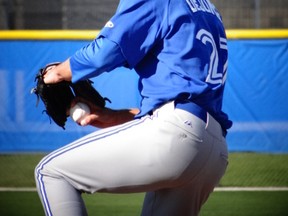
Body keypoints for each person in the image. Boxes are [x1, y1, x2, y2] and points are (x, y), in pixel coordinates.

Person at [35, 0, 233, 215]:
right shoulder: (209, 10)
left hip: (179, 135)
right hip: (213, 150)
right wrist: (112, 116)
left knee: (52, 173)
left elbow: (104, 53)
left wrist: (58, 72)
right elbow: (188, 102)